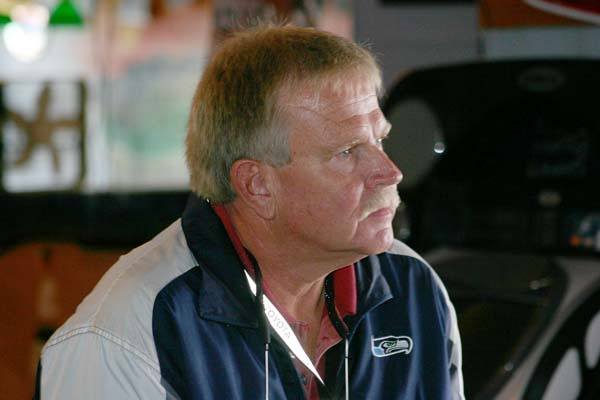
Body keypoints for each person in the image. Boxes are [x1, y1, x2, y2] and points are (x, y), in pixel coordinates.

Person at [35, 24, 464, 399]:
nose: (390, 173)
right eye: (348, 152)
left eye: (381, 141)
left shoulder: (415, 290)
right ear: (257, 185)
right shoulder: (125, 334)